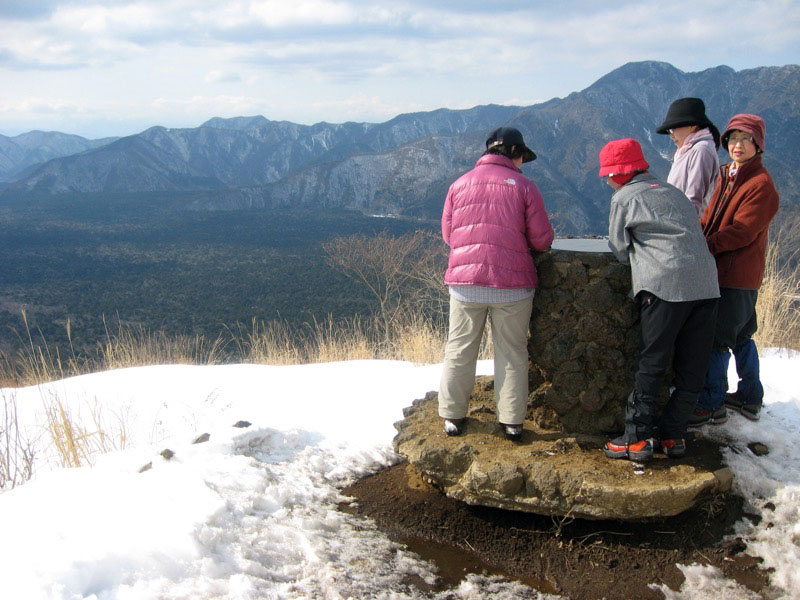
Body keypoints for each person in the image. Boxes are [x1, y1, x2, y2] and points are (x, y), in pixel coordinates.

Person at [599, 138, 719, 461]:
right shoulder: (672, 192)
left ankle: (636, 439)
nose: (606, 181)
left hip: (665, 286)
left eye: (607, 175)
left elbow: (619, 250)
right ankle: (673, 436)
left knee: (652, 362)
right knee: (692, 368)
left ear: (619, 174)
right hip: (707, 284)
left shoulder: (624, 197)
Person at [439, 127, 554, 440]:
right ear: (516, 154)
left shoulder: (458, 185)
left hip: (465, 283)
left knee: (459, 349)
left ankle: (452, 415)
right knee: (512, 352)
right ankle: (512, 421)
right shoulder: (525, 187)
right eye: (521, 158)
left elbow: (450, 236)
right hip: (513, 285)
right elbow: (542, 240)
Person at [690, 114, 779, 425]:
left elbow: (742, 231)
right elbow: (708, 214)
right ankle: (750, 396)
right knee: (741, 334)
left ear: (758, 145)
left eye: (745, 138)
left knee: (718, 338)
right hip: (728, 271)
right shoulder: (727, 174)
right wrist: (694, 232)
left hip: (737, 276)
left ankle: (711, 403)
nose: (737, 144)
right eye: (732, 138)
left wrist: (704, 245)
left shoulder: (761, 185)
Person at [656, 97, 721, 216]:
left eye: (672, 129)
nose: (671, 135)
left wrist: (684, 226)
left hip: (690, 225)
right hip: (679, 221)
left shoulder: (701, 149)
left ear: (691, 125)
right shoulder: (685, 150)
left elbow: (694, 197)